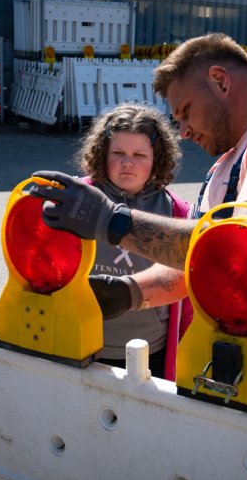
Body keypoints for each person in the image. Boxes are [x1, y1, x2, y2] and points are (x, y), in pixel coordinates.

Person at [30, 33, 247, 422]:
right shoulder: (228, 163)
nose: (183, 131)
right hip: (241, 362)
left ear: (220, 81)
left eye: (185, 110)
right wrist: (130, 293)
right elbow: (197, 263)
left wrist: (110, 220)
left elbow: (239, 256)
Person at [73, 103, 192, 381]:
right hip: (85, 344)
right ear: (102, 154)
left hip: (153, 349)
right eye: (118, 153)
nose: (128, 163)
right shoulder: (79, 200)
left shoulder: (178, 212)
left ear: (157, 158)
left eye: (139, 154)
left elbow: (187, 294)